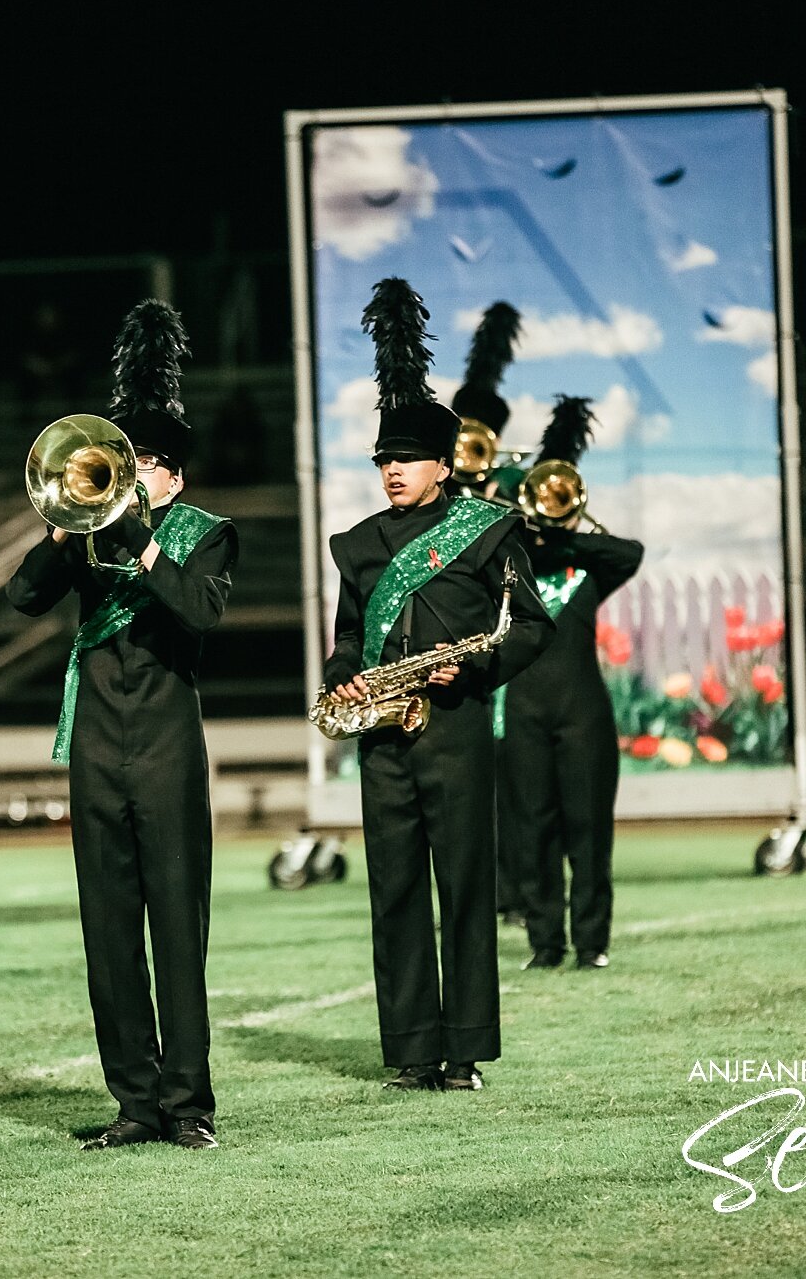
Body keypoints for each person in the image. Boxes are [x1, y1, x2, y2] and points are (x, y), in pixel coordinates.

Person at [6, 298, 236, 1150]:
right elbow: (21, 596)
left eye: (140, 464)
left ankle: (189, 1100)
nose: (126, 474)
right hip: (97, 752)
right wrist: (70, 532)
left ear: (170, 473)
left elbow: (198, 615)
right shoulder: (88, 539)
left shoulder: (206, 537)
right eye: (119, 463)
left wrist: (141, 540)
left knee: (177, 930)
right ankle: (136, 1100)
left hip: (170, 750)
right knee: (107, 934)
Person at [323, 278, 553, 1093]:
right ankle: (412, 1051)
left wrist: (478, 664)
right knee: (392, 895)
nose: (390, 471)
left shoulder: (486, 530)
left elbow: (531, 626)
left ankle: (464, 1053)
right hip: (383, 737)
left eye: (405, 459)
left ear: (441, 464)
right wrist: (342, 677)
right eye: (383, 459)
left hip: (455, 732)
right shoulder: (355, 545)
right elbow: (349, 635)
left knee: (462, 894)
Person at [496, 397, 643, 971]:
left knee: (588, 830)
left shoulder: (586, 567)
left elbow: (629, 553)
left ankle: (592, 942)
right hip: (527, 710)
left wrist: (564, 533)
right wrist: (527, 531)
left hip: (584, 713)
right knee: (533, 830)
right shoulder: (516, 567)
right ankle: (545, 943)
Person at [447, 302, 527, 925]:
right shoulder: (445, 491)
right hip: (457, 648)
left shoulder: (515, 484)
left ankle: (523, 893)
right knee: (471, 793)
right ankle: (486, 894)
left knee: (520, 791)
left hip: (507, 660)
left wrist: (505, 501)